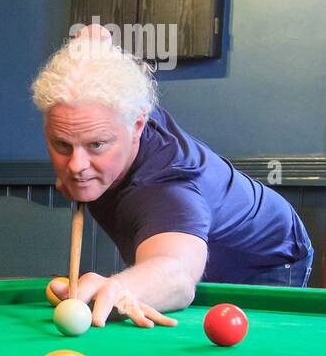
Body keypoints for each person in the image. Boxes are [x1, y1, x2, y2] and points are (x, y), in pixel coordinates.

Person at [32, 25, 314, 327]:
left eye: (96, 145)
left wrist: (125, 287)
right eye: (62, 144)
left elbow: (177, 274)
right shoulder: (118, 106)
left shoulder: (166, 189)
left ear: (138, 125)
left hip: (264, 256)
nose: (75, 165)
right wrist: (93, 48)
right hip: (198, 241)